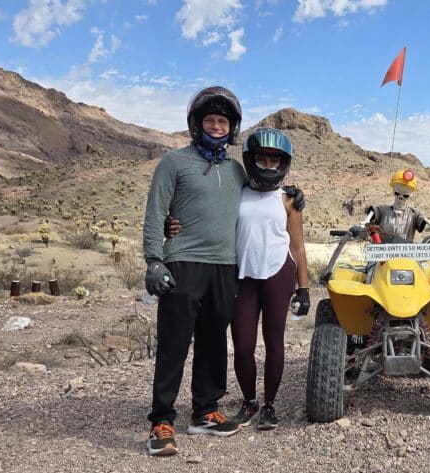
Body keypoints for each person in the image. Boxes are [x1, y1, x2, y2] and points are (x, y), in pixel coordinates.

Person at [142, 86, 245, 456]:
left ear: (231, 128)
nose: (216, 126)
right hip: (183, 262)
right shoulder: (173, 162)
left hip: (225, 266)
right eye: (210, 120)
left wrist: (293, 196)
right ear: (196, 124)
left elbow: (263, 195)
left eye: (223, 121)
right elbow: (156, 212)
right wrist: (154, 259)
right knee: (173, 343)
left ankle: (204, 411)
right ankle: (161, 420)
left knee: (214, 341)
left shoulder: (237, 170)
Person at [226, 128, 310, 431]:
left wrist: (304, 289)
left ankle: (270, 406)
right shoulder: (236, 193)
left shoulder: (288, 200)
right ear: (251, 160)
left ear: (283, 163)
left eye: (275, 159)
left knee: (275, 343)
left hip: (279, 273)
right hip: (243, 276)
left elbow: (297, 245)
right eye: (262, 158)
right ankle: (249, 402)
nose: (268, 164)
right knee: (244, 345)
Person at [362, 169, 430, 242]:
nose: (400, 197)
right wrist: (367, 220)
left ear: (410, 195)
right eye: (397, 193)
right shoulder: (384, 210)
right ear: (393, 191)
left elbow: (422, 218)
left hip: (404, 251)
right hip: (384, 252)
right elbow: (374, 211)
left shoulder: (413, 213)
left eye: (405, 195)